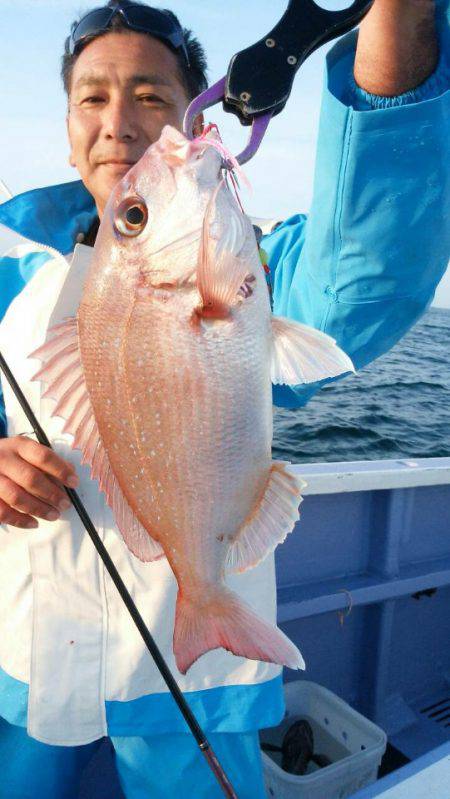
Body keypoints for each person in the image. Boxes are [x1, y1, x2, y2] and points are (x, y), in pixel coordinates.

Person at [0, 1, 448, 797]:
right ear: (68, 122)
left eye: (150, 95)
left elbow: (364, 273)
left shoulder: (249, 271)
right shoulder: (9, 261)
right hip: (27, 658)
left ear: (194, 113)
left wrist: (398, 16)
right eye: (93, 98)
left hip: (195, 677)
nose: (117, 122)